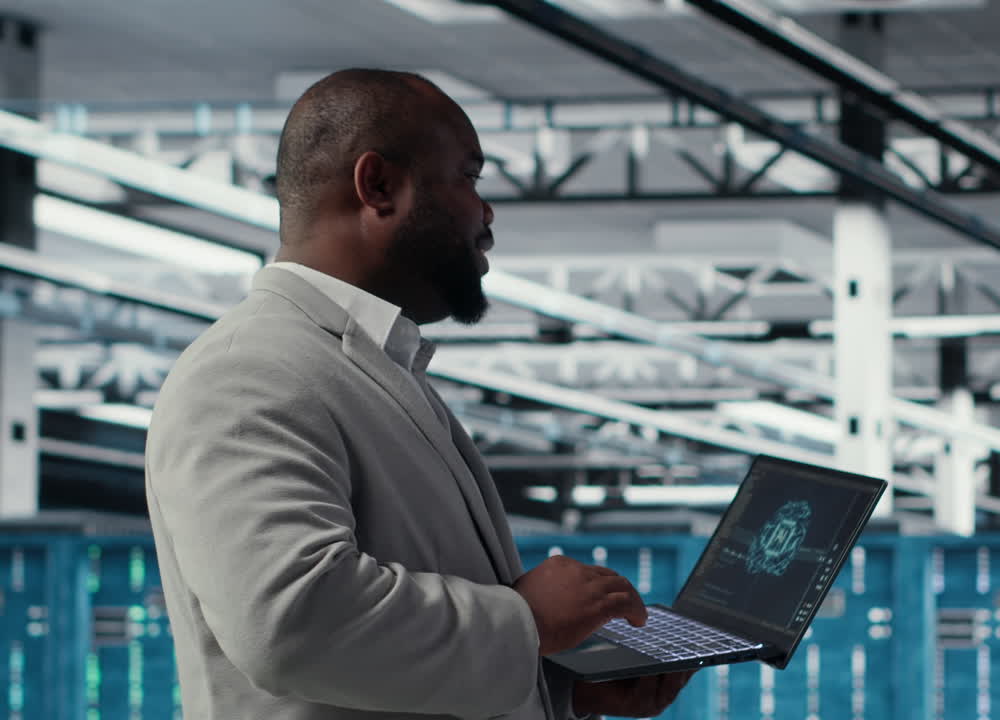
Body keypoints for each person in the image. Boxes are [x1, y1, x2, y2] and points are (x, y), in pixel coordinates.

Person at [144, 68, 693, 720]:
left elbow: (379, 668)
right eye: (468, 177)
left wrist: (554, 684)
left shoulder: (372, 369)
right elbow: (291, 624)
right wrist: (526, 622)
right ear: (377, 185)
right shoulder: (246, 373)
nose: (485, 213)